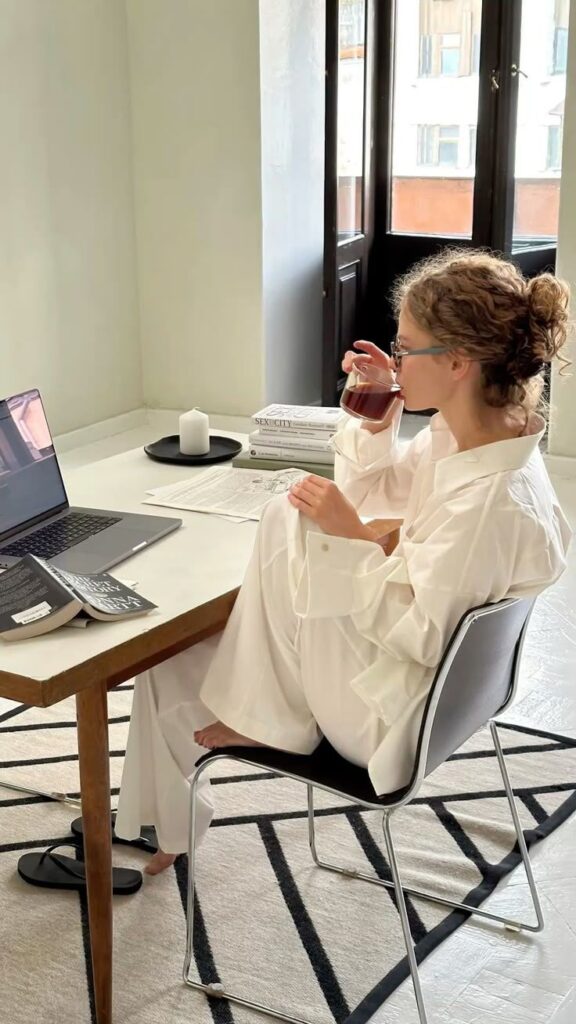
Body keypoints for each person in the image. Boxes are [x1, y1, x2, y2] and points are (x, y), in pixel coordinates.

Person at [115, 248, 572, 875]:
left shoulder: (489, 502)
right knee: (168, 669)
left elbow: (418, 633)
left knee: (289, 512)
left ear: (459, 362)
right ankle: (162, 832)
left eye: (406, 348)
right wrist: (381, 406)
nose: (395, 358)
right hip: (420, 687)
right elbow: (374, 491)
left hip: (387, 716)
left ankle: (273, 717)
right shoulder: (480, 439)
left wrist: (351, 537)